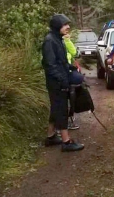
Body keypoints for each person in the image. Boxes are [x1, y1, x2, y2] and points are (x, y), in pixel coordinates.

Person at [42, 14, 84, 152]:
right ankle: (66, 142)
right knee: (61, 109)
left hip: (59, 79)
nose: (68, 27)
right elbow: (50, 65)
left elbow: (61, 61)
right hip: (56, 82)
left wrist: (71, 68)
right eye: (65, 24)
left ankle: (51, 136)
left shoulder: (58, 39)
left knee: (56, 108)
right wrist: (62, 80)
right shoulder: (49, 41)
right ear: (57, 26)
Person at [63, 34, 83, 130]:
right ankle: (62, 123)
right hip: (61, 75)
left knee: (71, 96)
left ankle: (70, 118)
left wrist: (67, 41)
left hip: (69, 73)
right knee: (63, 100)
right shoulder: (55, 42)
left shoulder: (66, 42)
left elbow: (73, 52)